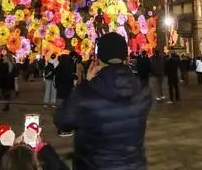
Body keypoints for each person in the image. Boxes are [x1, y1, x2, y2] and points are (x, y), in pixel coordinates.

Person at [54, 33, 153, 170]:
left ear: (97, 59)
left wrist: (85, 84)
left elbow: (62, 121)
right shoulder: (143, 92)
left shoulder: (86, 93)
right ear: (126, 57)